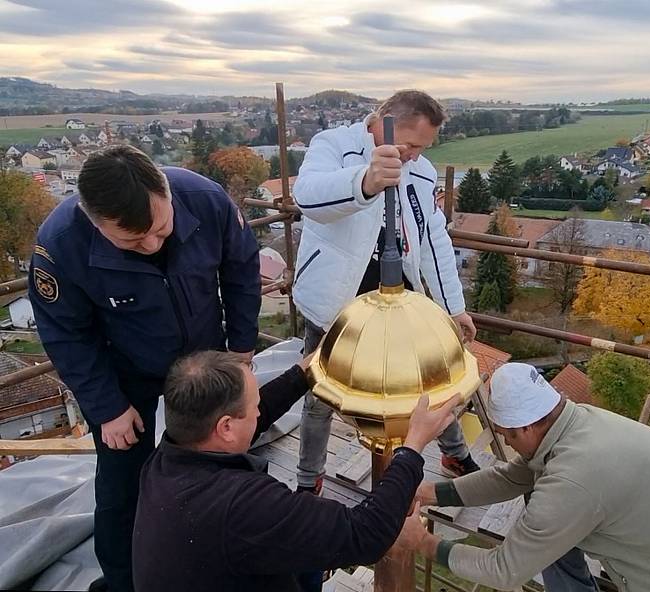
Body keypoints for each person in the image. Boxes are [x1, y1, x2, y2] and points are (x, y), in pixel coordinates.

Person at [28, 146, 261, 592]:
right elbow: (66, 334)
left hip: (202, 358)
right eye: (133, 241)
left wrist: (242, 347)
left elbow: (241, 269)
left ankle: (214, 553)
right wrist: (106, 407)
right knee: (121, 485)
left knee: (220, 460)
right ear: (95, 222)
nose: (152, 245)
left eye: (160, 229)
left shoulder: (207, 200)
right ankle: (123, 580)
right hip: (123, 371)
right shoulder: (61, 247)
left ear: (168, 194)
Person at [408, 362, 650, 592]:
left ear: (527, 425)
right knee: (541, 514)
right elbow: (511, 477)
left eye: (507, 435)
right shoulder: (580, 423)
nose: (505, 442)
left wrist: (423, 543)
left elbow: (504, 570)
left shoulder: (571, 482)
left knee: (543, 516)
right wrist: (428, 493)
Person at [132, 350, 461, 592]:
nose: (260, 408)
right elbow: (366, 534)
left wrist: (306, 371)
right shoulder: (244, 505)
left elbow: (248, 423)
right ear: (226, 427)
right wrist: (413, 446)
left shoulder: (165, 459)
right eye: (254, 405)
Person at [292, 89, 479, 493]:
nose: (415, 154)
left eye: (423, 147)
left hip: (399, 300)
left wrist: (453, 307)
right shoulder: (334, 147)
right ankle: (309, 479)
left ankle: (455, 453)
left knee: (429, 380)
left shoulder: (422, 172)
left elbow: (432, 240)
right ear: (385, 121)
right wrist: (366, 181)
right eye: (411, 144)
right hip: (337, 302)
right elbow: (307, 197)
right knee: (320, 390)